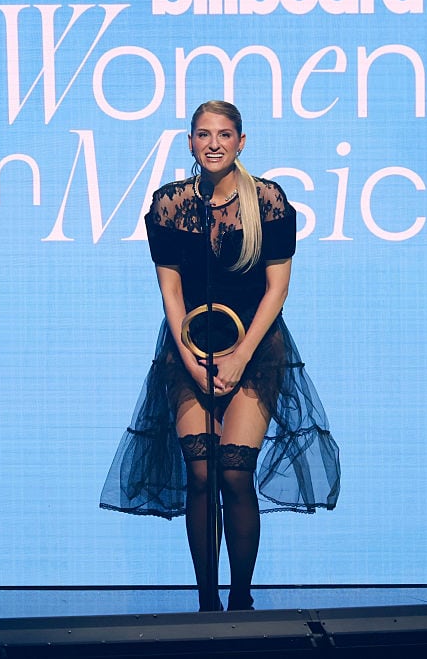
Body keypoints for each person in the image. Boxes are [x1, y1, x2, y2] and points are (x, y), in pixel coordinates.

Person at [100, 100, 340, 612]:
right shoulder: (168, 204)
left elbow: (277, 290)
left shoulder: (269, 200)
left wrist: (239, 357)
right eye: (204, 134)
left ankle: (240, 600)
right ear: (190, 142)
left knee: (233, 471)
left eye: (224, 134)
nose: (214, 144)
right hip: (188, 350)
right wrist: (189, 359)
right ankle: (207, 604)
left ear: (240, 142)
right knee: (202, 474)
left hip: (255, 349)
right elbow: (170, 292)